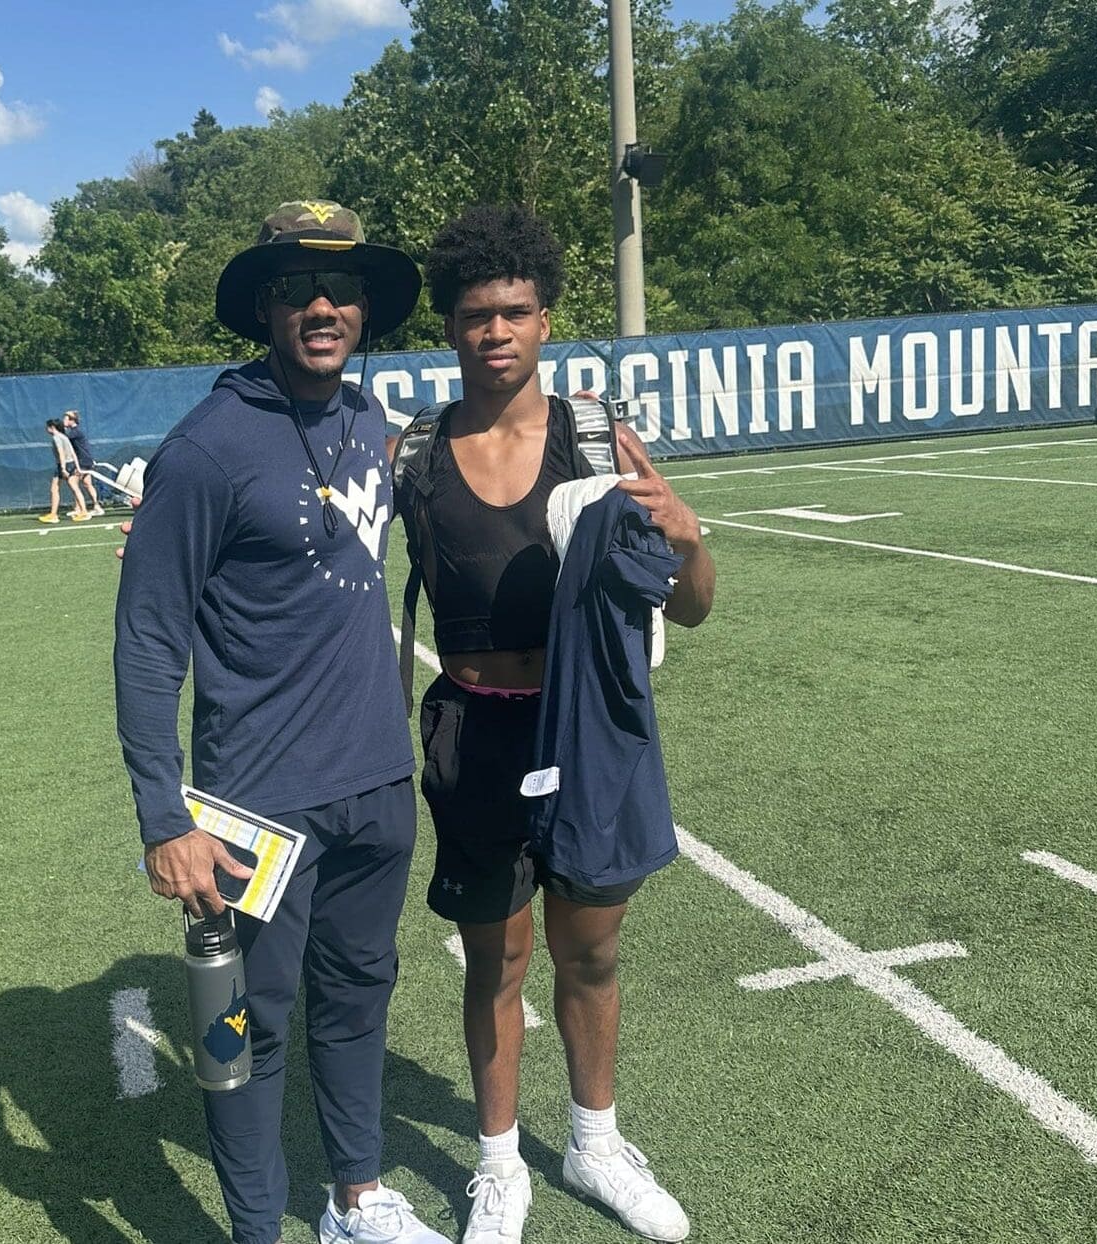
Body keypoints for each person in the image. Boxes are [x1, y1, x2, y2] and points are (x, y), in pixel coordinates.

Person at [114, 201, 450, 1244]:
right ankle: (257, 1229)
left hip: (377, 780)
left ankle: (356, 1195)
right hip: (256, 802)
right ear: (264, 304)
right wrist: (163, 816)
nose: (322, 304)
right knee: (246, 1028)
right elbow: (145, 640)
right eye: (298, 286)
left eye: (341, 288)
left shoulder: (370, 417)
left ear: (363, 308)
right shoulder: (205, 450)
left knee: (357, 998)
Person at [399, 205, 715, 1244]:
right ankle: (499, 1166)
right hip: (475, 731)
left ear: (546, 317)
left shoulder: (594, 435)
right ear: (450, 327)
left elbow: (692, 600)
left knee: (591, 953)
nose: (495, 331)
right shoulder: (415, 453)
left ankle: (593, 1140)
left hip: (587, 734)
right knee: (494, 961)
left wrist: (687, 534)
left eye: (514, 312)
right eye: (474, 315)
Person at [41, 417, 93, 523]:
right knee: (71, 488)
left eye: (47, 427)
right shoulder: (64, 436)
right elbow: (73, 453)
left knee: (57, 489)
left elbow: (61, 453)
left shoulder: (56, 438)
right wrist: (77, 466)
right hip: (71, 464)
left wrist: (63, 468)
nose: (46, 429)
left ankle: (56, 515)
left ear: (52, 427)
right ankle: (56, 514)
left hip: (64, 465)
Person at [61, 409, 106, 516]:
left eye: (66, 419)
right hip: (86, 460)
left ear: (72, 420)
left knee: (72, 481)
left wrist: (60, 429)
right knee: (87, 483)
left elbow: (63, 438)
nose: (64, 420)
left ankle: (82, 509)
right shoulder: (74, 432)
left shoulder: (75, 432)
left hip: (83, 461)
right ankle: (93, 507)